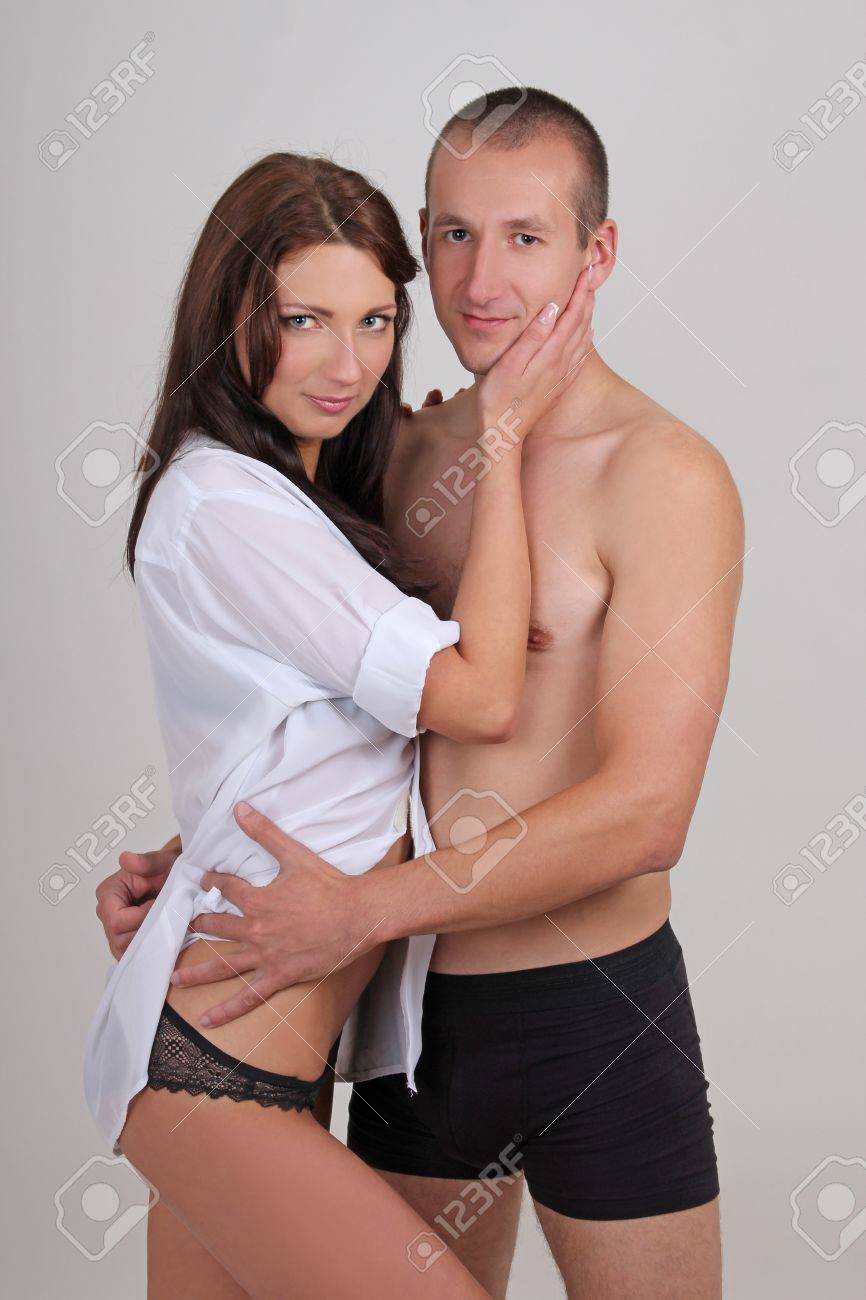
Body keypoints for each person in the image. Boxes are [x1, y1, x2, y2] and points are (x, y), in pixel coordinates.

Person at [98, 88, 744, 1299]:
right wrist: (204, 869)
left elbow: (646, 812)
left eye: (524, 236)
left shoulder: (666, 475)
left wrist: (358, 908)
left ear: (597, 250)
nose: (480, 279)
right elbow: (330, 714)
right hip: (414, 1023)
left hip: (599, 1011)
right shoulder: (393, 456)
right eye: (451, 233)